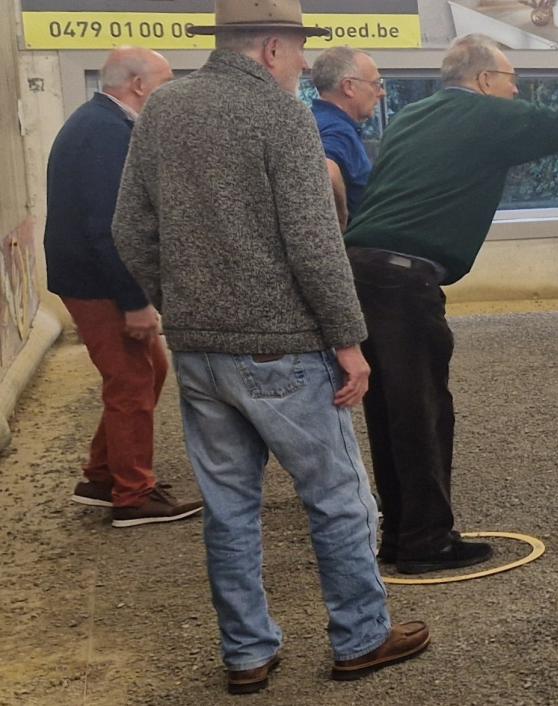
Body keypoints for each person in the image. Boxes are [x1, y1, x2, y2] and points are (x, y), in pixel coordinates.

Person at [112, 0, 428, 694]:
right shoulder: (281, 116)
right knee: (339, 498)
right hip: (280, 348)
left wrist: (184, 305)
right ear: (272, 49)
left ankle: (246, 653)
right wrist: (350, 342)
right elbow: (315, 245)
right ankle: (360, 637)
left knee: (228, 507)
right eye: (300, 54)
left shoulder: (163, 108)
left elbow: (129, 226)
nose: (305, 70)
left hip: (198, 350)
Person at [343, 29, 558, 575]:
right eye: (512, 81)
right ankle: (426, 541)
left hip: (360, 269)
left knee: (389, 409)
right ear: (485, 80)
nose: (515, 92)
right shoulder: (485, 115)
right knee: (424, 410)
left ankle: (399, 533)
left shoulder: (412, 117)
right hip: (404, 280)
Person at [44, 47, 204, 528]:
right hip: (98, 283)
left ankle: (101, 476)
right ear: (137, 85)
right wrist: (135, 303)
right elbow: (107, 227)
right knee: (133, 379)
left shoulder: (101, 124)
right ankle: (133, 496)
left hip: (90, 278)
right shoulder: (105, 134)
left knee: (147, 369)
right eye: (165, 79)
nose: (170, 88)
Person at [310, 47, 385, 231]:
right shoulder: (338, 130)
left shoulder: (313, 120)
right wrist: (342, 224)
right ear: (348, 87)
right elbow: (327, 170)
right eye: (376, 84)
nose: (382, 93)